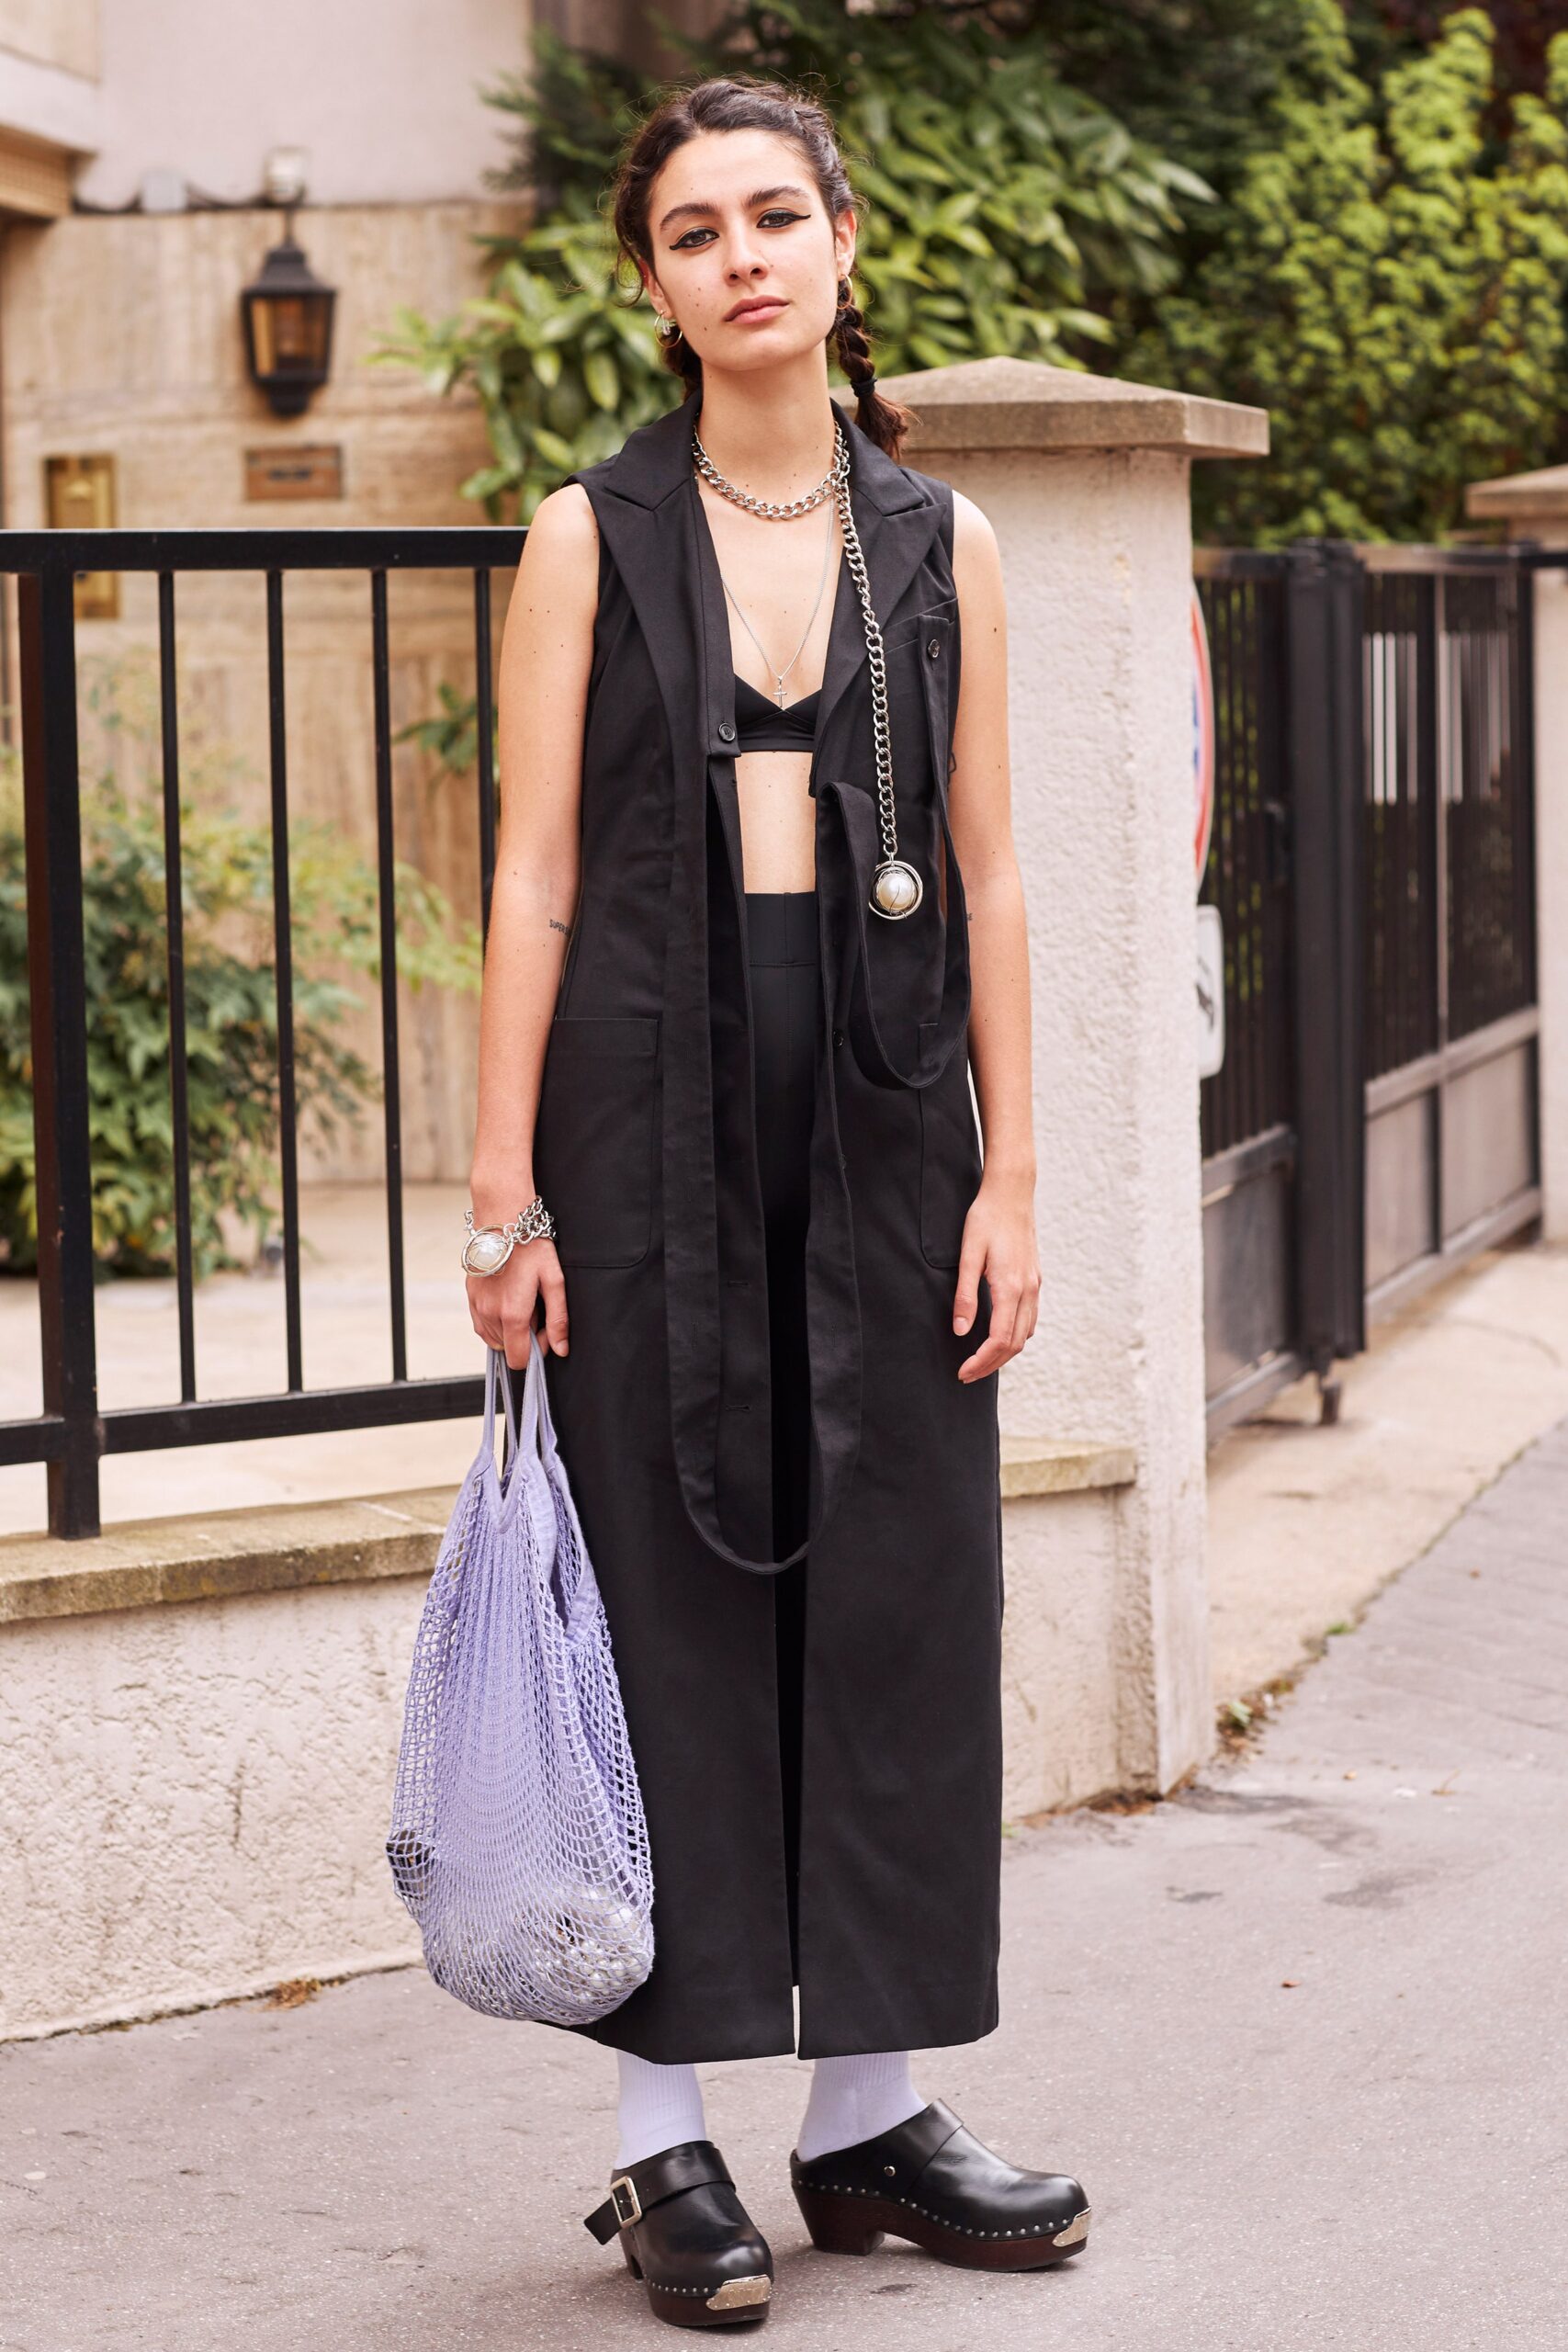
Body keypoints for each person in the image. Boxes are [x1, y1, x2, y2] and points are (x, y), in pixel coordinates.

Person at [464, 72, 1089, 2331]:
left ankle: (869, 2115)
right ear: (654, 287)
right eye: (693, 231)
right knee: (658, 1601)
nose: (739, 255)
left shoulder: (942, 544)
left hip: (892, 1103)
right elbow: (529, 874)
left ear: (840, 240)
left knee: (902, 1592)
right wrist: (497, 1181)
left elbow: (998, 872)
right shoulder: (583, 534)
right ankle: (663, 2145)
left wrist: (1013, 1168)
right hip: (641, 1113)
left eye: (771, 216)